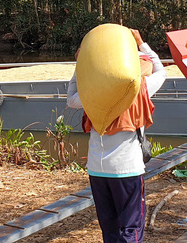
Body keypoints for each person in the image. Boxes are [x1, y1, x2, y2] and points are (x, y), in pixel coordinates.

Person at [66, 29, 166, 242]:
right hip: (127, 169)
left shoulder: (93, 93)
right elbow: (161, 71)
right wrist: (141, 43)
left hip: (97, 169)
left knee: (109, 227)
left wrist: (81, 65)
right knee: (131, 226)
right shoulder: (140, 86)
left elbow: (71, 99)